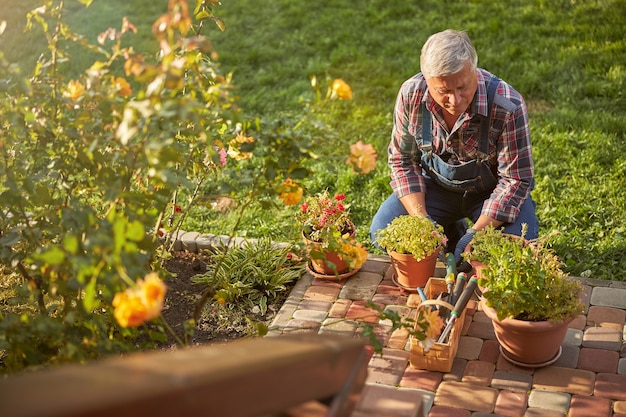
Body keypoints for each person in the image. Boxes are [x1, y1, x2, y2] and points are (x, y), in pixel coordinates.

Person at [369, 29, 539, 268]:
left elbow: (515, 179)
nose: (455, 100)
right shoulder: (411, 96)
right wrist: (422, 221)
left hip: (490, 194)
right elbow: (402, 162)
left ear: (474, 71)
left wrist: (477, 233)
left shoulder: (507, 104)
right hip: (435, 190)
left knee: (515, 250)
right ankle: (449, 228)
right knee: (382, 232)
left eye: (462, 87)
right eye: (444, 91)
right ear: (427, 81)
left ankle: (463, 233)